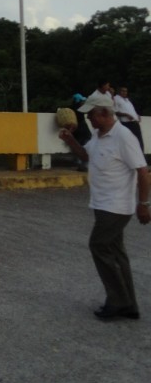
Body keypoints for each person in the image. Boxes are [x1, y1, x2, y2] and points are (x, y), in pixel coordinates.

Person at [59, 90, 150, 321]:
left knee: (98, 246)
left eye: (91, 114)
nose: (88, 119)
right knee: (116, 253)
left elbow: (143, 171)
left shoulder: (124, 137)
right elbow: (87, 156)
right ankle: (129, 305)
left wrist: (144, 203)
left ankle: (117, 302)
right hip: (102, 204)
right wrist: (70, 141)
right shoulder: (99, 135)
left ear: (104, 113)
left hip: (117, 206)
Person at [113, 86, 144, 152]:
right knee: (129, 141)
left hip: (134, 122)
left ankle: (141, 156)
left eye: (126, 91)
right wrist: (126, 115)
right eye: (123, 91)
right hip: (126, 123)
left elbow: (131, 110)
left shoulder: (127, 100)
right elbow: (115, 111)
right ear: (119, 91)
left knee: (139, 140)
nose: (125, 92)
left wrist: (136, 115)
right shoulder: (116, 99)